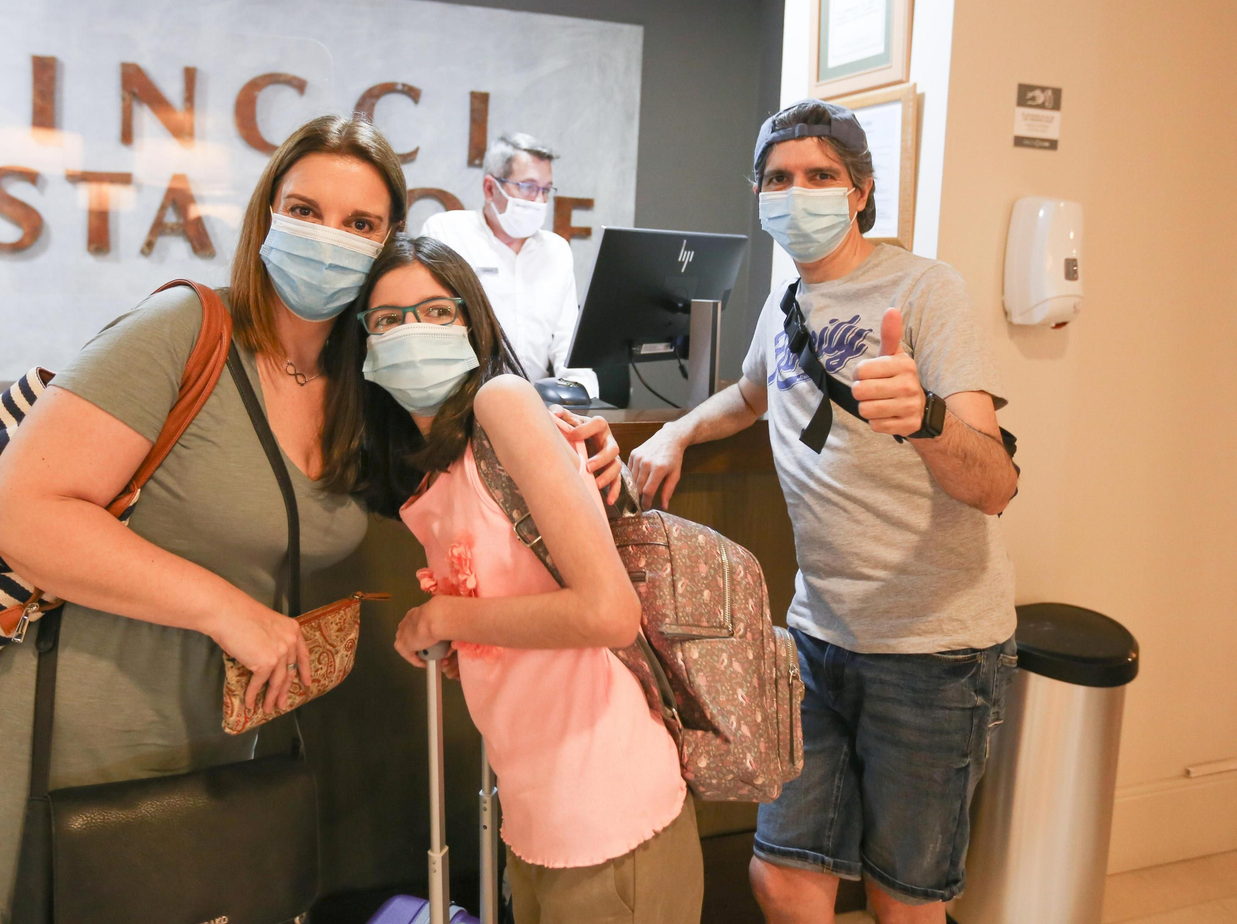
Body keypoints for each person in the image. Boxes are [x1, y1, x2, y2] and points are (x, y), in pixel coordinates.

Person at [0, 115, 403, 924]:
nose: (328, 239)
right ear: (266, 216)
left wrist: (563, 440)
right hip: (65, 745)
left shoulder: (362, 381)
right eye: (305, 211)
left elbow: (465, 431)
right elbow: (16, 510)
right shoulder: (183, 331)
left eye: (360, 224)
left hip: (211, 751)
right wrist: (225, 608)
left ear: (389, 245)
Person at [627, 100, 1020, 924]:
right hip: (816, 639)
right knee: (781, 879)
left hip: (933, 651)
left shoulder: (926, 290)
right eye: (779, 178)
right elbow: (752, 394)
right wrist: (676, 431)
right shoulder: (785, 301)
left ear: (860, 191)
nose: (796, 193)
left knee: (903, 902)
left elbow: (994, 485)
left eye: (820, 176)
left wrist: (928, 417)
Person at [358, 234, 703, 924]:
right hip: (535, 822)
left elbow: (609, 613)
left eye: (436, 311)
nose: (411, 332)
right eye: (387, 320)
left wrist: (445, 618)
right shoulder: (433, 475)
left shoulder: (503, 402)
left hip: (610, 816)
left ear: (473, 322)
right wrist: (471, 641)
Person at [421, 132, 599, 398]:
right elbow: (431, 334)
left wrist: (580, 397)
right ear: (490, 188)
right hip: (461, 400)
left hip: (536, 404)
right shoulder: (447, 233)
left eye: (545, 190)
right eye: (528, 187)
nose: (540, 201)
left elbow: (569, 348)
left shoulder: (556, 250)